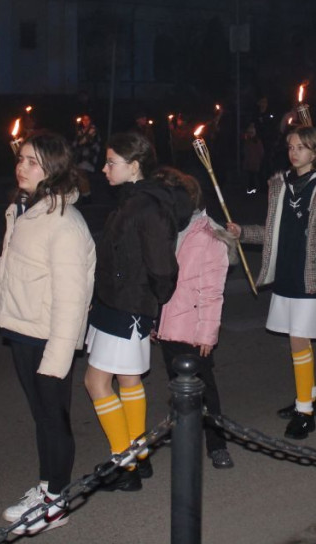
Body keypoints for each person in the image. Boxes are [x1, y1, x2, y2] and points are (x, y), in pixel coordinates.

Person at [0, 132, 95, 534]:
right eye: (21, 159)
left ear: (54, 170)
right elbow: (12, 268)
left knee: (53, 419)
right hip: (22, 331)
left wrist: (56, 360)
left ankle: (56, 502)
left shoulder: (65, 224)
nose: (21, 167)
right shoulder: (25, 211)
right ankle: (46, 488)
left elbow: (73, 299)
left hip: (46, 340)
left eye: (32, 162)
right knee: (42, 417)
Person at [227, 125, 316, 440]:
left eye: (300, 147)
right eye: (290, 146)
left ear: (315, 151)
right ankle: (310, 397)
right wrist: (243, 232)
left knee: (299, 341)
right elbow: (272, 232)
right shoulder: (280, 185)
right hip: (285, 272)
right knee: (299, 341)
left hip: (310, 276)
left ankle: (305, 412)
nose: (293, 152)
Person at [84, 133, 186, 491]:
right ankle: (138, 457)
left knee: (95, 382)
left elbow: (162, 268)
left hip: (128, 305)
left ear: (135, 165)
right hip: (118, 302)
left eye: (112, 162)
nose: (105, 168)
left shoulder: (147, 206)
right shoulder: (132, 200)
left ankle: (122, 463)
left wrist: (152, 307)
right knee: (128, 380)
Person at [153, 168, 235, 468]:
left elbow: (213, 291)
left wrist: (206, 335)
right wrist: (154, 319)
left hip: (193, 326)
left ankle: (217, 445)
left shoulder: (208, 234)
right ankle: (184, 435)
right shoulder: (170, 227)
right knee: (177, 385)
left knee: (205, 388)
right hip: (169, 321)